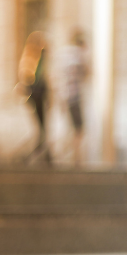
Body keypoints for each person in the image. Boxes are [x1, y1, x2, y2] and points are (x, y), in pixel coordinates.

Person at [56, 29, 89, 167]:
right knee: (78, 128)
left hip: (63, 95)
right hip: (74, 96)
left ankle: (67, 156)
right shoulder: (78, 55)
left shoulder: (63, 54)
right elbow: (86, 73)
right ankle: (76, 158)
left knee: (68, 127)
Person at [18, 30, 50, 165]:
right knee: (40, 126)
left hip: (39, 95)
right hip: (36, 95)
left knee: (42, 126)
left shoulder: (38, 58)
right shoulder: (31, 58)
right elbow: (27, 76)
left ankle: (45, 154)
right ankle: (41, 153)